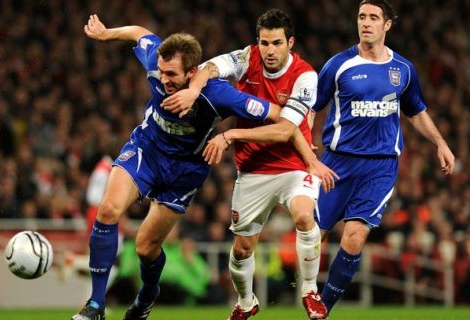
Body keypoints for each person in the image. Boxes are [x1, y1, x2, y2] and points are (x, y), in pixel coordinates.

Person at [73, 14, 289, 320]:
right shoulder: (156, 62)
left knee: (146, 248)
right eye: (161, 72)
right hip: (146, 151)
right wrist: (107, 34)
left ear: (192, 72)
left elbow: (278, 114)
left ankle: (148, 294)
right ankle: (96, 305)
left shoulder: (218, 95)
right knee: (108, 210)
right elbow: (139, 32)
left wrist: (231, 135)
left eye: (172, 75)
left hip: (184, 172)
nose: (163, 80)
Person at [163, 9, 337, 320]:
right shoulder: (248, 57)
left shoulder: (306, 75)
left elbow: (285, 129)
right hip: (253, 169)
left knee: (303, 215)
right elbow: (207, 68)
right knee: (242, 248)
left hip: (293, 166)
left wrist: (230, 135)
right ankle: (246, 302)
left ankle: (310, 290)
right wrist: (193, 89)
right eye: (264, 42)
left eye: (277, 43)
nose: (270, 50)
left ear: (290, 43)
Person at [309, 1, 455, 317]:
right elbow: (312, 106)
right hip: (337, 163)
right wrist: (306, 143)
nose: (366, 23)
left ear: (387, 24)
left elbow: (415, 110)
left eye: (374, 17)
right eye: (362, 17)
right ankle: (304, 289)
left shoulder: (402, 69)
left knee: (355, 236)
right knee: (312, 237)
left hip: (380, 166)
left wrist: (440, 143)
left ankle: (322, 310)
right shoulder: (338, 65)